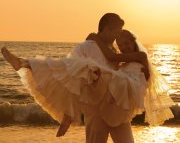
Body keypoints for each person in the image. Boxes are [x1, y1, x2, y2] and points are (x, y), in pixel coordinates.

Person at [1, 13, 150, 143]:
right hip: (96, 110)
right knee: (79, 67)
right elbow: (71, 79)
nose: (119, 35)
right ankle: (25, 63)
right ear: (108, 28)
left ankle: (25, 63)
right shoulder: (87, 46)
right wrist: (68, 114)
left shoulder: (114, 51)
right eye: (117, 31)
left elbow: (119, 67)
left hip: (118, 108)